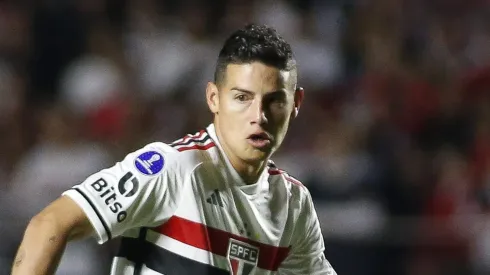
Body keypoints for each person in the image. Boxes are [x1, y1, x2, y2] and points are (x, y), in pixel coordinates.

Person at [11, 24, 336, 275]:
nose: (259, 116)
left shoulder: (293, 203)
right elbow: (49, 225)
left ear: (296, 104)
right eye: (242, 98)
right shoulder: (171, 167)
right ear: (214, 99)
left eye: (275, 101)